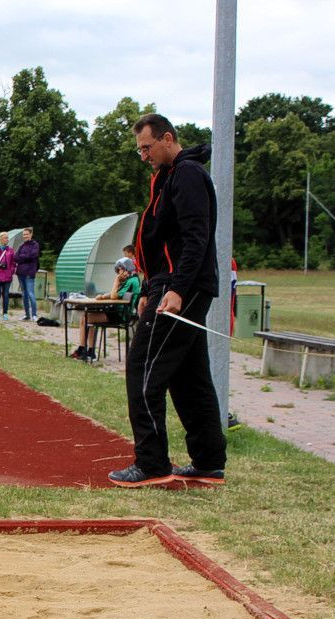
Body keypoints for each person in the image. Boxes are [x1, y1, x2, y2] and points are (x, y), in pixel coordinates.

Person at [109, 112, 226, 488]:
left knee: (143, 368)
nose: (143, 155)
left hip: (182, 287)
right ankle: (209, 461)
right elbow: (159, 242)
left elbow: (196, 237)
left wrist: (175, 289)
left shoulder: (188, 175)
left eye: (147, 147)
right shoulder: (168, 178)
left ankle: (152, 463)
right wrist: (147, 288)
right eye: (139, 150)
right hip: (167, 284)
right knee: (189, 376)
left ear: (168, 139)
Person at [69, 255, 141, 362]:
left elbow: (114, 296)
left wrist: (116, 280)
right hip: (116, 312)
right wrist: (103, 296)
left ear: (127, 268)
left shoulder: (132, 281)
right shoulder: (130, 280)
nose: (118, 273)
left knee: (86, 318)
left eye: (120, 269)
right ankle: (88, 350)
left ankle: (84, 350)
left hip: (120, 315)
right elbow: (116, 293)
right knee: (88, 317)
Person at [14, 227, 40, 320]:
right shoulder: (22, 246)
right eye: (24, 234)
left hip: (30, 273)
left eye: (26, 234)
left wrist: (22, 258)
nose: (25, 236)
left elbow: (33, 256)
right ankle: (27, 315)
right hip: (20, 273)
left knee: (30, 294)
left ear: (31, 234)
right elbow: (16, 257)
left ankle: (34, 314)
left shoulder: (35, 245)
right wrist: (24, 258)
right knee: (24, 294)